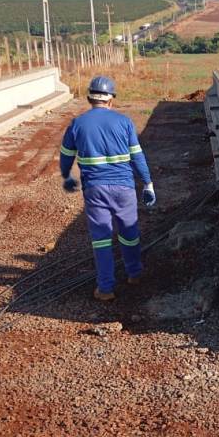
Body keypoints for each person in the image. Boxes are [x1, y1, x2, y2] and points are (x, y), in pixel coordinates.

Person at [59, 75, 156, 301]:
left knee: (101, 239)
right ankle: (134, 274)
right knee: (129, 234)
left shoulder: (77, 124)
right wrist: (148, 184)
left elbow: (66, 156)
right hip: (124, 188)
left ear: (89, 99)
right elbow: (137, 157)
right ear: (111, 100)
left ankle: (105, 289)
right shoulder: (125, 122)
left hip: (95, 189)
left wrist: (66, 176)